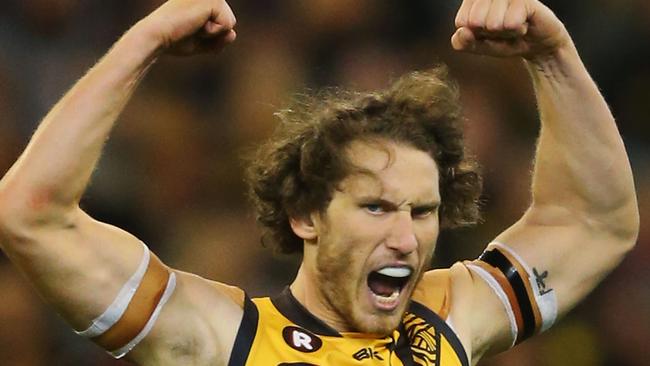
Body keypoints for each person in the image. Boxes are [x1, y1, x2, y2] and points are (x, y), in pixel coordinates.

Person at [0, 0, 639, 365]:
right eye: (376, 207)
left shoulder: (450, 319)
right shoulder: (222, 338)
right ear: (306, 214)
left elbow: (595, 221)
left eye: (422, 211)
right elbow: (31, 214)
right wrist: (141, 45)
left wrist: (553, 56)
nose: (404, 238)